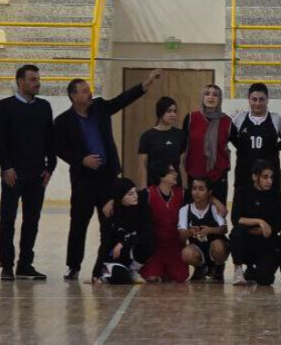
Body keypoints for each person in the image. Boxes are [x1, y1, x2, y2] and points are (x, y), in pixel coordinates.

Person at [54, 69, 162, 281]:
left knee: (109, 223)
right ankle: (73, 266)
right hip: (83, 181)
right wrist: (82, 160)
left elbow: (122, 100)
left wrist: (146, 84)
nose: (89, 93)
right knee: (78, 224)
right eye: (84, 90)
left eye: (89, 89)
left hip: (107, 178)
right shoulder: (63, 121)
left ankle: (107, 263)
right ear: (73, 96)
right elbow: (60, 149)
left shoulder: (100, 107)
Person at [0, 64, 56, 281]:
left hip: (37, 175)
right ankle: (6, 265)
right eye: (33, 79)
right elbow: (0, 140)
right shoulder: (5, 106)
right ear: (20, 82)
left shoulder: (44, 107)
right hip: (12, 174)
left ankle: (25, 264)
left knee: (32, 221)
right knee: (7, 220)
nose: (37, 83)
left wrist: (50, 168)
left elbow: (50, 140)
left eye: (38, 79)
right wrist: (6, 167)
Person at [230, 83, 281, 203]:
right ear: (249, 100)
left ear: (267, 100)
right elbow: (232, 138)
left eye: (261, 99)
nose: (258, 103)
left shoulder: (276, 119)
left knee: (272, 209)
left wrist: (272, 149)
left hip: (269, 176)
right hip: (245, 175)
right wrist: (244, 149)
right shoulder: (239, 118)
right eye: (254, 99)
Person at [230, 161, 281, 286]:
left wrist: (261, 228)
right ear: (254, 176)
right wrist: (260, 222)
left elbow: (276, 225)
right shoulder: (242, 192)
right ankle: (238, 270)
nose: (269, 181)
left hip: (266, 242)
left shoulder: (275, 194)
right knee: (237, 232)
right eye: (265, 177)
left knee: (265, 280)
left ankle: (253, 271)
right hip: (246, 240)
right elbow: (236, 219)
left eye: (271, 177)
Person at [97, 178, 152, 284]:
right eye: (130, 194)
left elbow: (147, 233)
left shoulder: (142, 205)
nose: (135, 196)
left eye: (135, 192)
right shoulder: (111, 214)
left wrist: (123, 243)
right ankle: (105, 273)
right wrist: (95, 273)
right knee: (121, 277)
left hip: (129, 250)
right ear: (120, 196)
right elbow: (104, 245)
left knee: (149, 240)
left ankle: (133, 269)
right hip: (115, 256)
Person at [182, 85, 232, 202]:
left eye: (215, 94)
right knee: (194, 211)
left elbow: (240, 144)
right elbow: (182, 146)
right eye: (207, 93)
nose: (211, 97)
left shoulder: (227, 121)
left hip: (218, 176)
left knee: (218, 211)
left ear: (220, 99)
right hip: (195, 175)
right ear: (202, 97)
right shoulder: (191, 118)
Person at [139, 164, 188, 283]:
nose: (176, 174)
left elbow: (203, 197)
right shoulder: (148, 193)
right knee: (151, 278)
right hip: (155, 249)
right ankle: (160, 269)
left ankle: (167, 270)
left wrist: (216, 202)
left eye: (175, 171)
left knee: (180, 277)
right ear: (161, 176)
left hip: (176, 248)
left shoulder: (182, 193)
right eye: (171, 171)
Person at [180, 176, 229, 282]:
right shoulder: (185, 210)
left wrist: (209, 230)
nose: (197, 192)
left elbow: (224, 229)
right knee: (186, 253)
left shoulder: (214, 208)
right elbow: (182, 236)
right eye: (194, 188)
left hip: (215, 246)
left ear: (209, 192)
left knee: (218, 246)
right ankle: (200, 268)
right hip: (198, 247)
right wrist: (190, 232)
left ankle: (219, 267)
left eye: (201, 189)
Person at [137, 96, 186, 190]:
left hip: (174, 185)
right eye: (169, 111)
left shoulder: (180, 135)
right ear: (160, 112)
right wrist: (143, 188)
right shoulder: (148, 136)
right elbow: (142, 164)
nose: (172, 114)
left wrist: (184, 187)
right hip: (154, 185)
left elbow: (182, 163)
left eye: (174, 111)